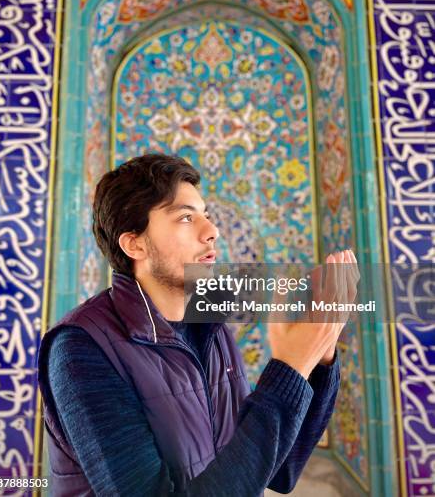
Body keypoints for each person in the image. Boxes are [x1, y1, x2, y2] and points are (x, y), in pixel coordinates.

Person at [37, 153, 356, 496]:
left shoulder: (208, 322)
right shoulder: (79, 350)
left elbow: (280, 469)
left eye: (206, 215)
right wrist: (291, 366)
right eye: (186, 218)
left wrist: (319, 355)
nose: (212, 231)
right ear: (135, 243)